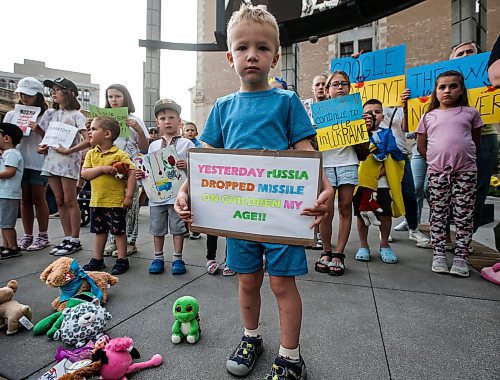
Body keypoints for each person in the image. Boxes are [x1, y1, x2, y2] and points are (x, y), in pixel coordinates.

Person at [174, 5, 332, 379]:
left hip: (283, 216)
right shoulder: (223, 107)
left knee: (281, 283)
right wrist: (185, 190)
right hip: (241, 216)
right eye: (243, 47)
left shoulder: (287, 101)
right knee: (247, 280)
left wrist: (324, 187)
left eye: (262, 48)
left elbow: (305, 151)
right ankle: (251, 338)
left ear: (275, 57)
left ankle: (291, 356)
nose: (252, 55)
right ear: (230, 57)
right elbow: (207, 159)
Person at [416, 70, 483, 277]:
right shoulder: (429, 116)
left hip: (465, 172)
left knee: (464, 214)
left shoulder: (470, 113)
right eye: (442, 87)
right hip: (438, 172)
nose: (447, 91)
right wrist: (436, 160)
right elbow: (421, 146)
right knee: (438, 213)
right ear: (435, 92)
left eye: (453, 86)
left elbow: (475, 139)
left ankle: (461, 256)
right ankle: (439, 254)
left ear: (461, 90)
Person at [314, 70, 362, 276]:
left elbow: (362, 143)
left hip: (347, 162)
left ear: (349, 88)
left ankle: (339, 253)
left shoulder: (355, 110)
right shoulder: (318, 111)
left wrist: (366, 127)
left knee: (345, 207)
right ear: (327, 90)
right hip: (326, 163)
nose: (340, 87)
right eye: (335, 84)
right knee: (326, 209)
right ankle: (326, 250)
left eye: (344, 84)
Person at [139, 98, 194, 275]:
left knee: (178, 227)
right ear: (157, 122)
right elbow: (150, 168)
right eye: (163, 118)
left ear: (179, 121)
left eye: (172, 117)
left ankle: (178, 258)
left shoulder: (187, 144)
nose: (167, 121)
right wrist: (143, 174)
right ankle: (158, 258)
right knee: (157, 228)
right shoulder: (153, 145)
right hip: (157, 195)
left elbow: (196, 166)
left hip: (178, 194)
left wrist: (187, 165)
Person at [450, 42, 499, 239]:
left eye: (470, 52)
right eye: (460, 53)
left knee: (478, 190)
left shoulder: (488, 76)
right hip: (453, 141)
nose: (465, 55)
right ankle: (443, 234)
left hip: (484, 137)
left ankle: (467, 237)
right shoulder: (444, 84)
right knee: (439, 188)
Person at [38, 77, 90, 256]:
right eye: (52, 89)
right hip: (51, 160)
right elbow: (44, 136)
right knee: (59, 200)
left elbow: (88, 140)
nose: (54, 92)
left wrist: (70, 151)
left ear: (69, 93)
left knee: (70, 199)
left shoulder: (77, 115)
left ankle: (75, 238)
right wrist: (41, 147)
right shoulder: (50, 114)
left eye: (58, 89)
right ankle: (67, 237)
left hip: (68, 162)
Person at [81, 117, 136, 275]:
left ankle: (122, 259)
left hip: (115, 201)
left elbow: (131, 173)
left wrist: (129, 196)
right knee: (100, 231)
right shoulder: (92, 153)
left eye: (93, 129)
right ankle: (97, 259)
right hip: (97, 201)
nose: (89, 132)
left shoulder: (120, 154)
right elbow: (85, 174)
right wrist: (102, 169)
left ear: (107, 133)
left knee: (118, 231)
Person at [353, 99, 406, 263]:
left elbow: (393, 157)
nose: (372, 116)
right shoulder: (357, 135)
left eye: (376, 112)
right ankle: (364, 245)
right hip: (361, 183)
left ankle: (384, 244)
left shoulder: (386, 134)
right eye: (368, 113)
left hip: (382, 183)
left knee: (384, 215)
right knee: (362, 216)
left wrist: (380, 173)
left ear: (382, 116)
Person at [101, 84, 149, 257]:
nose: (113, 100)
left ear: (125, 98)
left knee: (130, 206)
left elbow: (144, 147)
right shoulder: (103, 121)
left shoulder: (135, 120)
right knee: (111, 206)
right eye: (110, 96)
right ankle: (113, 240)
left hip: (130, 170)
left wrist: (137, 129)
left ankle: (130, 241)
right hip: (109, 170)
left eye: (117, 96)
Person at [3, 77, 51, 251]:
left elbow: (53, 138)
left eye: (28, 95)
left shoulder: (46, 115)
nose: (24, 97)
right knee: (24, 200)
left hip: (39, 162)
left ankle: (43, 235)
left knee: (39, 199)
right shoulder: (11, 114)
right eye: (21, 94)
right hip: (17, 161)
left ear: (38, 96)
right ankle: (28, 235)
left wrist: (39, 129)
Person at [0, 123, 24, 259]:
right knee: (3, 223)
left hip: (8, 194)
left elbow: (10, 171)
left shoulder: (12, 154)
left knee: (7, 224)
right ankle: (6, 246)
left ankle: (13, 247)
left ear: (6, 138)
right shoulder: (7, 154)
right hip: (4, 193)